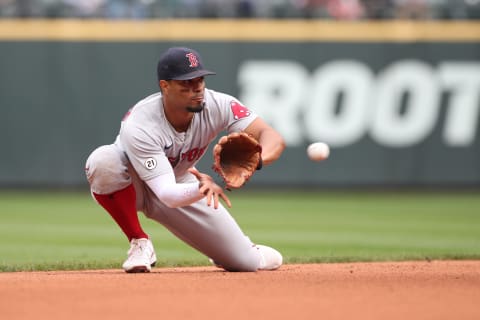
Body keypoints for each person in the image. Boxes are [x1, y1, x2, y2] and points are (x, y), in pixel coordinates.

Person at [85, 47, 286, 273]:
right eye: (186, 83)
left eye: (199, 80)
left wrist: (256, 161)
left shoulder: (219, 104)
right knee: (103, 160)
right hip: (133, 185)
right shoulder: (141, 123)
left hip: (181, 183)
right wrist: (205, 187)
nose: (197, 89)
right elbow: (166, 195)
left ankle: (236, 251)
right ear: (165, 86)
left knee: (246, 263)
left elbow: (272, 137)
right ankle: (139, 241)